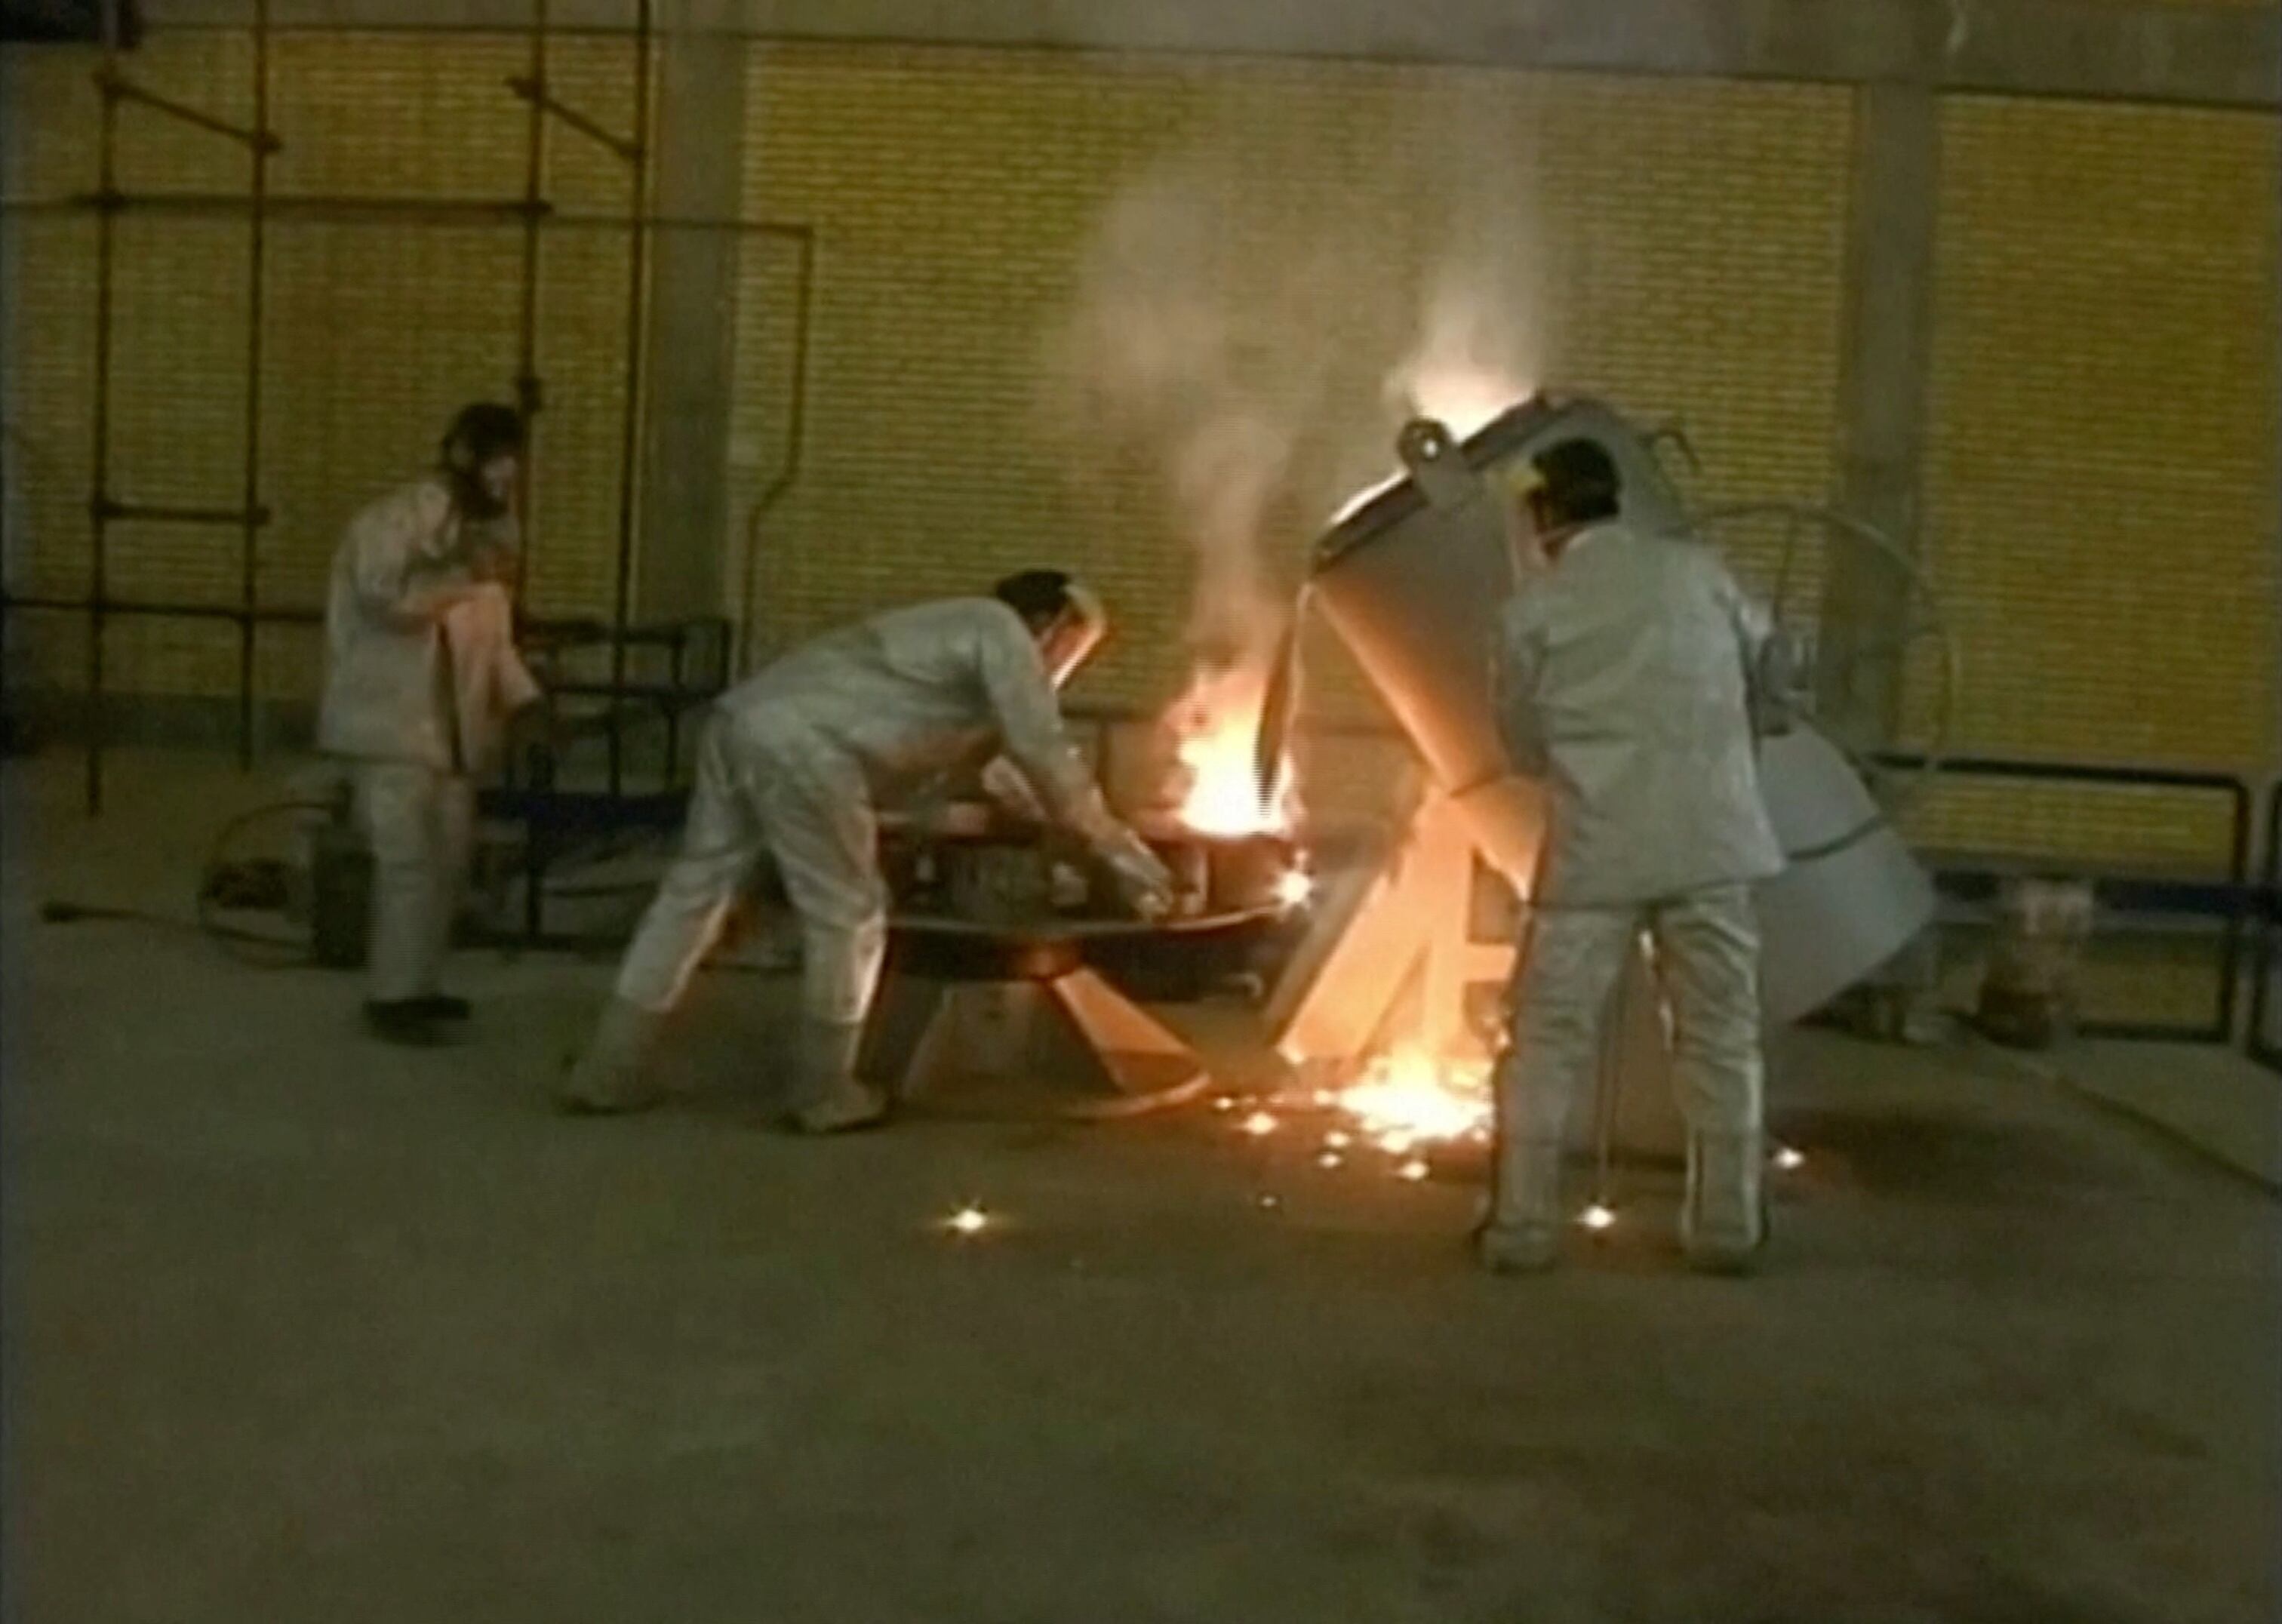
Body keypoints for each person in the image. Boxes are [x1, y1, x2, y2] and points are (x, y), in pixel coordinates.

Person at [560, 571, 1175, 1131]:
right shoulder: (999, 632)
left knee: (693, 894)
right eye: (1074, 650)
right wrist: (1127, 856)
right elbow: (1044, 752)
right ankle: (825, 1090)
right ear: (1051, 625)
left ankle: (609, 1069)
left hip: (741, 722)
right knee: (849, 915)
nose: (1069, 667)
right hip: (810, 752)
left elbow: (1008, 773)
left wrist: (1076, 828)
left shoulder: (951, 636)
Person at [1481, 438, 1789, 1275]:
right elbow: (1775, 669)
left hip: (1597, 855)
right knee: (1721, 1040)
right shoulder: (1702, 574)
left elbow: (1520, 744)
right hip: (1713, 844)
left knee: (1547, 1038)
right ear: (1615, 499)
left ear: (1543, 512)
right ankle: (1727, 1227)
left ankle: (1521, 1227)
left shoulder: (1533, 610)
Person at [318, 402, 541, 1046]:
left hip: (451, 735)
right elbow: (386, 600)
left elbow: (491, 639)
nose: (505, 478)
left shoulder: (486, 543)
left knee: (446, 861)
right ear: (465, 455)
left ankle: (421, 983)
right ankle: (392, 995)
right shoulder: (396, 522)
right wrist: (460, 572)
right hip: (390, 725)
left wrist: (523, 701)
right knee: (407, 862)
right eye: (496, 460)